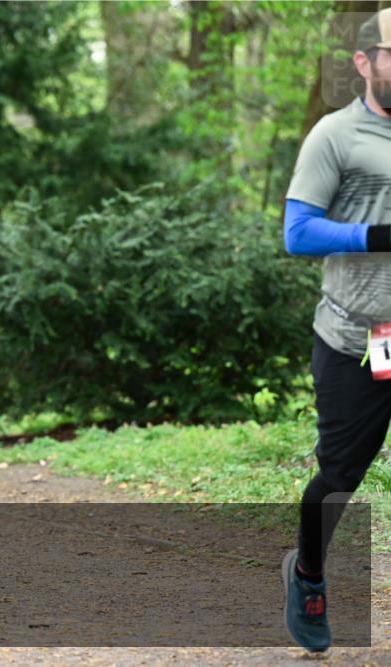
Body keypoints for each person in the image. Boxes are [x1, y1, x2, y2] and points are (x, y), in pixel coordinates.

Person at [281, 9, 391, 653]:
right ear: (365, 62)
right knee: (339, 477)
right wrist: (377, 236)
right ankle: (309, 572)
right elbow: (297, 232)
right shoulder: (335, 135)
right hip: (357, 340)